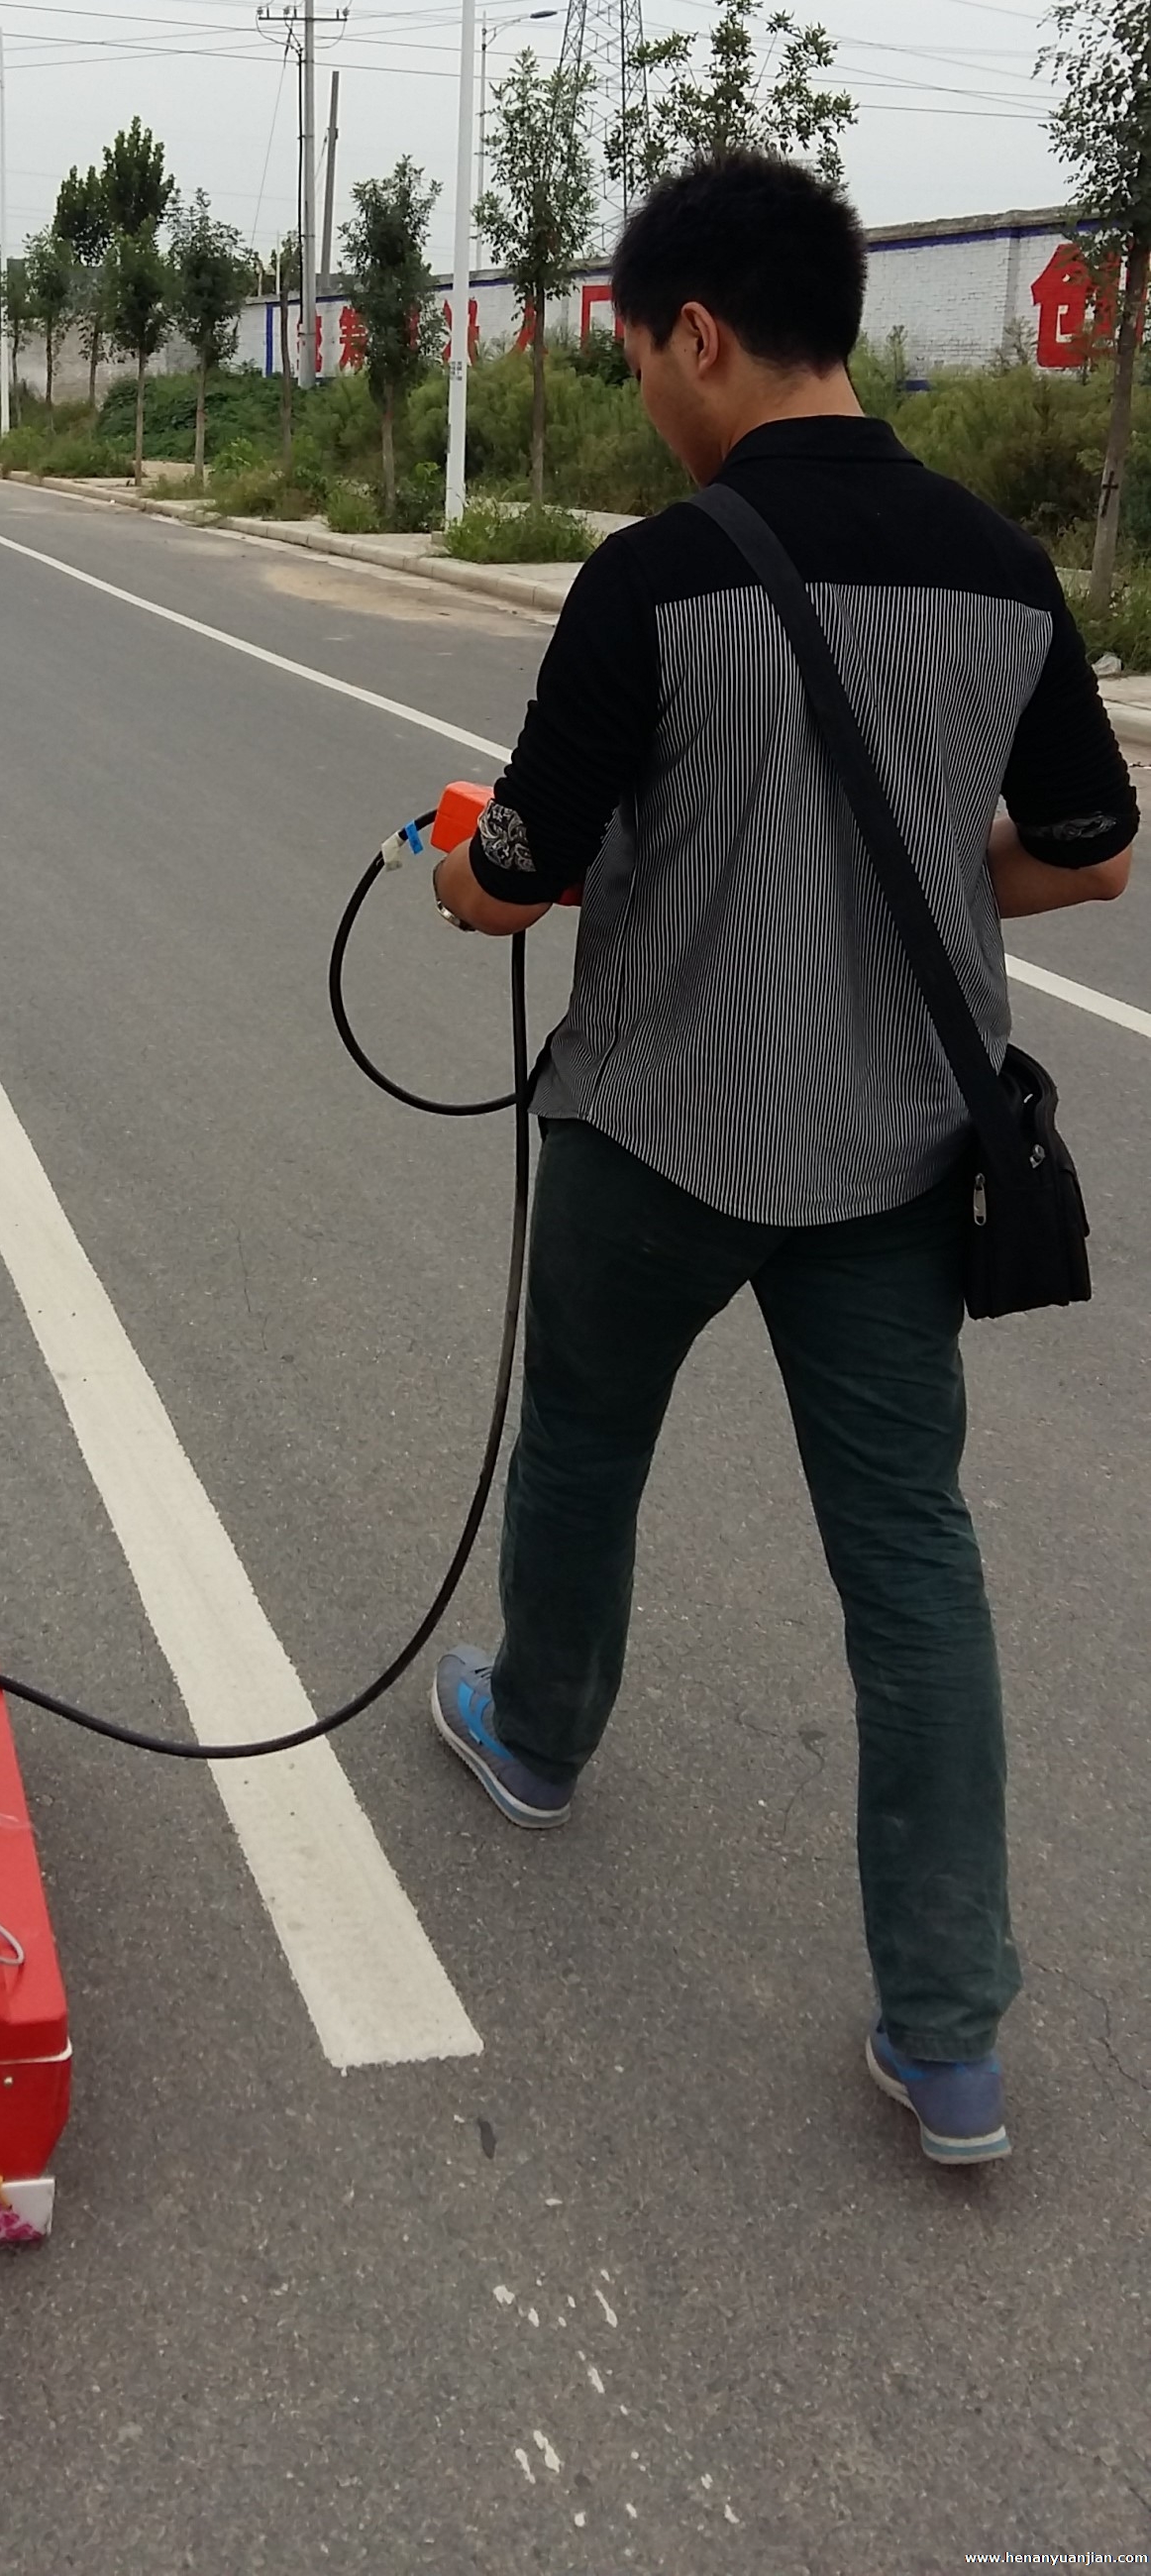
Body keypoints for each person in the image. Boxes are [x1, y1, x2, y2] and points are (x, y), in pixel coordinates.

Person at [428, 153, 1137, 2169]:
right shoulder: (1005, 567)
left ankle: (540, 1733)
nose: (644, 386)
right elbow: (1091, 846)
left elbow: (523, 870)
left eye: (642, 349)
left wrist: (463, 877)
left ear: (704, 337)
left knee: (582, 1441)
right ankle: (953, 2040)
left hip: (656, 1128)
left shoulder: (653, 581)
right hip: (899, 1158)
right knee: (913, 1562)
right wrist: (943, 885)